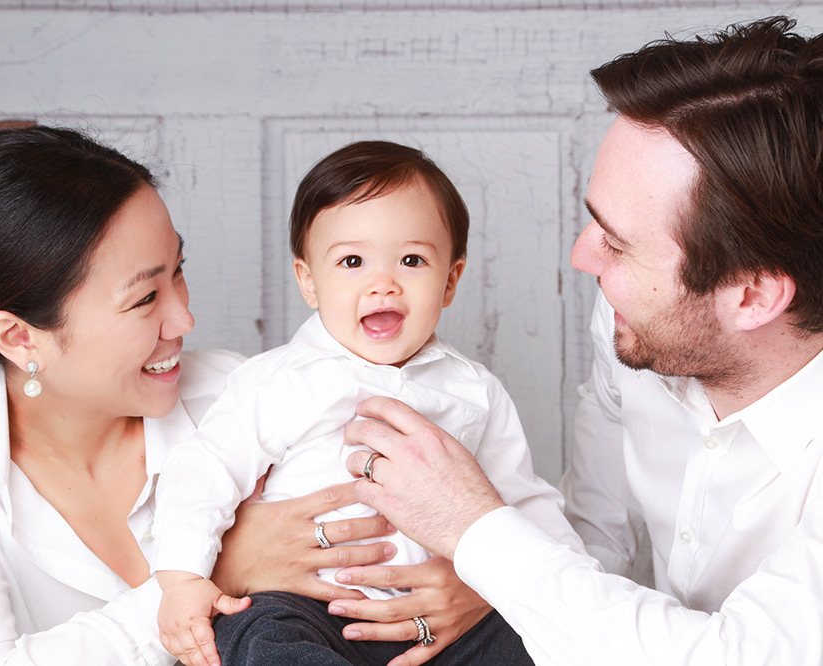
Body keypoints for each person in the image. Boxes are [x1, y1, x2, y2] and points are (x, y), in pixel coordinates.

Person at [0, 127, 490, 666]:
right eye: (145, 298)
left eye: (178, 269)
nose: (185, 318)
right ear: (20, 337)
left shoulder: (244, 390)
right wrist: (214, 573)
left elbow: (434, 519)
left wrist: (477, 588)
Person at [339, 15, 823, 666]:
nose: (580, 257)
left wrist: (475, 531)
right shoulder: (635, 324)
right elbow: (591, 544)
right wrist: (488, 585)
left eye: (618, 245)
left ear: (754, 296)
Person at [151, 141, 583, 666]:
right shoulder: (274, 383)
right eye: (352, 261)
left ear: (450, 280)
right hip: (307, 606)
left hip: (440, 614)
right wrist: (182, 578)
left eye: (412, 260)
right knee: (254, 632)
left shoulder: (473, 391)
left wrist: (570, 590)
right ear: (309, 281)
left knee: (535, 639)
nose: (383, 283)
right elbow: (202, 471)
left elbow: (520, 500)